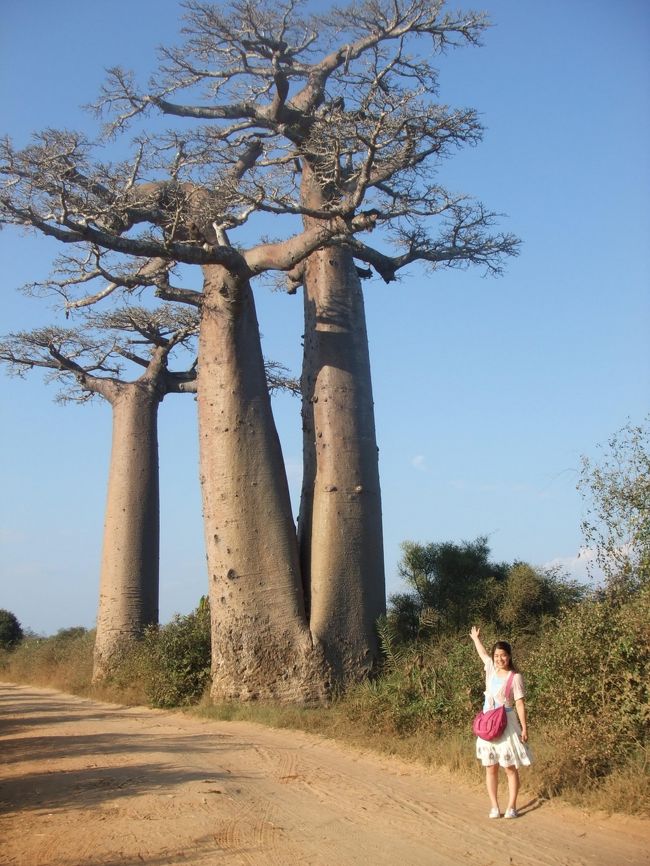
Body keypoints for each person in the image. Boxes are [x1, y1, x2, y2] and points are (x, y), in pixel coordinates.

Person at [470, 625, 532, 819]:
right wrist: (475, 639)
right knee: (491, 767)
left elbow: (520, 704)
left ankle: (512, 806)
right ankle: (495, 807)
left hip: (506, 723)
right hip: (488, 723)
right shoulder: (491, 669)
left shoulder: (515, 678)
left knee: (509, 767)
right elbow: (483, 655)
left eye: (503, 655)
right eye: (497, 655)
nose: (499, 659)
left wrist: (524, 727)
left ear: (509, 656)